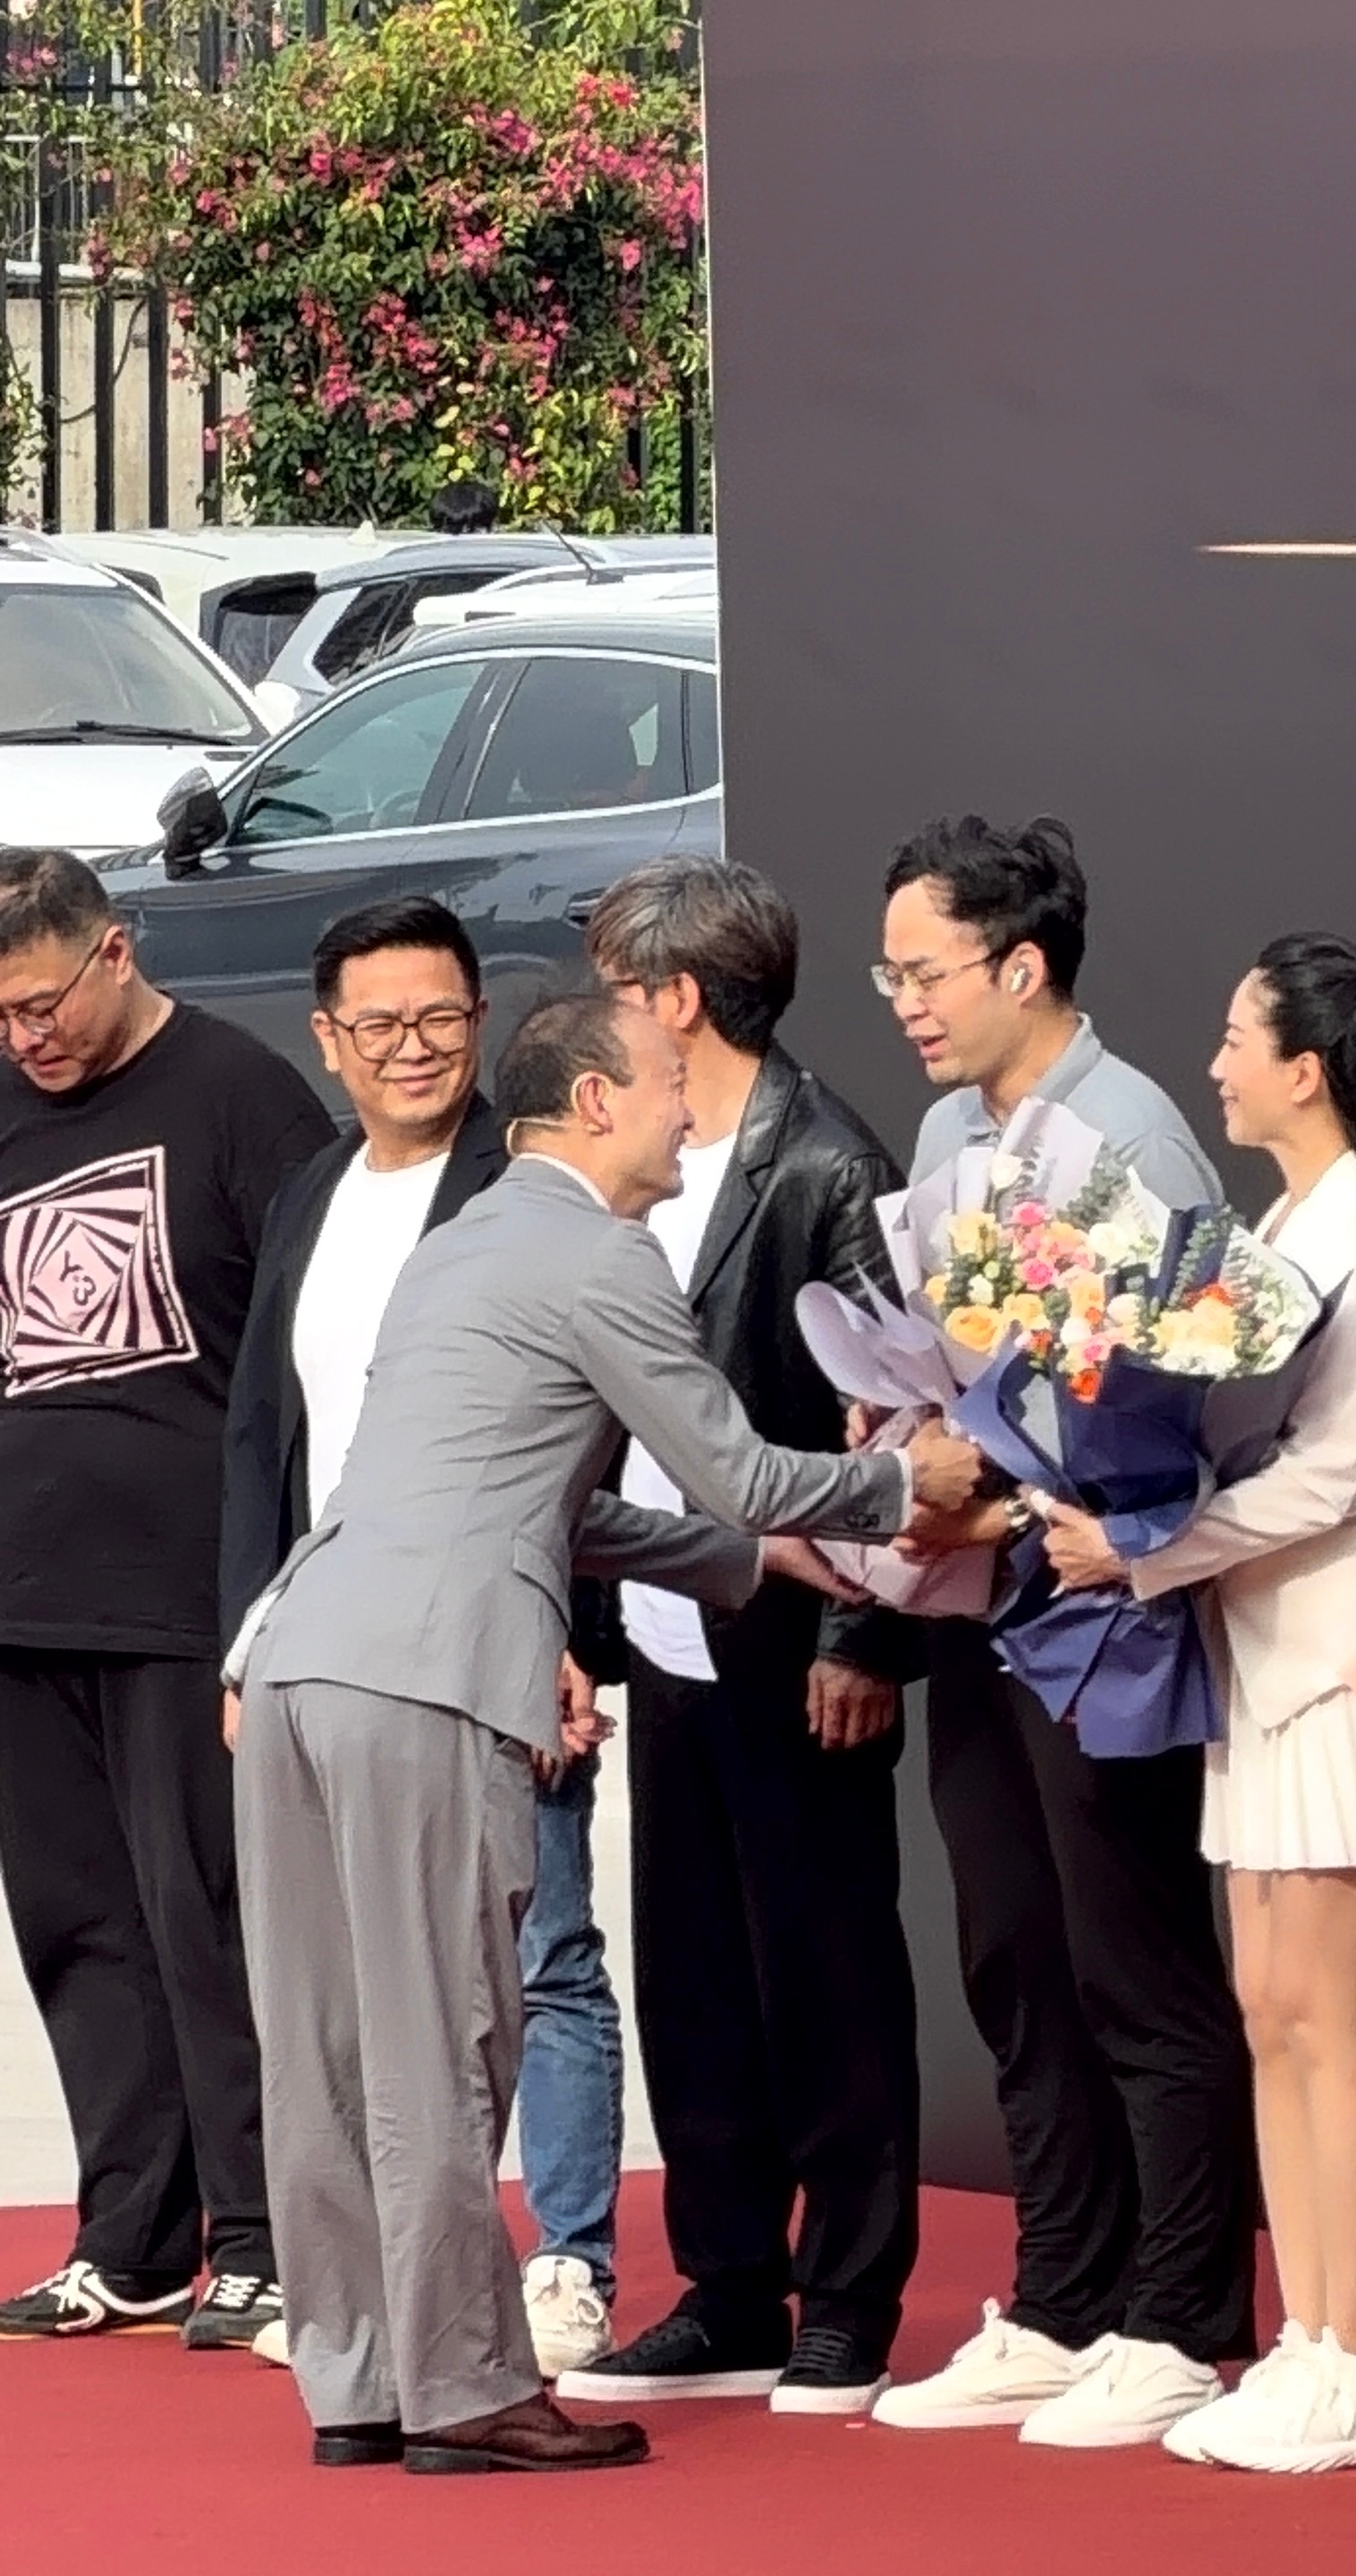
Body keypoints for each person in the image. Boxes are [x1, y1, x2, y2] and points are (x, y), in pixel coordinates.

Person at [225, 987, 981, 2474]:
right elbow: (739, 1467)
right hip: (427, 1678)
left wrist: (745, 1561)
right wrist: (910, 1486)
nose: (688, 1116)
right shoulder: (601, 1252)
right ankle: (462, 2389)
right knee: (439, 2042)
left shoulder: (465, 1245)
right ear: (590, 1103)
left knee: (321, 2050)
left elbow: (538, 1499)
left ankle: (360, 2383)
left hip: (302, 1658)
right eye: (664, 1089)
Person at [1039, 934, 1356, 2473]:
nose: (1217, 1065)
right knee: (1268, 2012)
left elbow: (1338, 1474)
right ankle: (1311, 2339)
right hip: (1262, 1653)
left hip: (1345, 1659)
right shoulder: (1282, 1223)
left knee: (1328, 2017)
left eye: (1240, 1041)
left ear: (1307, 1068)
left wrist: (1145, 1549)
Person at [866, 814, 1258, 2450]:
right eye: (891, 975)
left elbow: (1189, 1401)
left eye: (926, 972)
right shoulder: (948, 1127)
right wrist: (915, 1448)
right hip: (984, 1602)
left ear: (1022, 966)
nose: (905, 1001)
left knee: (1135, 1964)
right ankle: (1061, 2295)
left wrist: (1019, 1499)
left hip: (1103, 1604)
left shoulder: (1132, 1138)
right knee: (1014, 1955)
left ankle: (1186, 2315)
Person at [220, 894, 629, 2383]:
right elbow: (263, 1434)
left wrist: (571, 1633)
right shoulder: (310, 1195)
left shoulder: (526, 1190)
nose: (412, 1048)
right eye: (380, 1024)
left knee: (537, 1957)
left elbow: (588, 1442)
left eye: (441, 1017)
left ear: (483, 1023)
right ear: (328, 1041)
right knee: (346, 2009)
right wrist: (248, 1641)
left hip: (491, 1635)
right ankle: (389, 2317)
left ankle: (568, 2260)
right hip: (329, 1648)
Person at [557, 861, 923, 2419]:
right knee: (695, 1974)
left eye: (612, 983)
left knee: (826, 1973)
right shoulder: (625, 1155)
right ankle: (726, 2289)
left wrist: (861, 1633)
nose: (596, 1010)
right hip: (667, 1627)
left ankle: (847, 2298)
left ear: (678, 998)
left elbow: (896, 1414)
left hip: (796, 1637)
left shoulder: (827, 1162)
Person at [0, 848, 335, 2347]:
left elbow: (313, 1350)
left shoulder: (242, 1098)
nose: (26, 1039)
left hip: (190, 1590)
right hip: (26, 1588)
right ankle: (130, 2237)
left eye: (41, 1005)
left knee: (211, 1921)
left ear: (115, 952)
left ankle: (263, 2234)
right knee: (76, 1923)